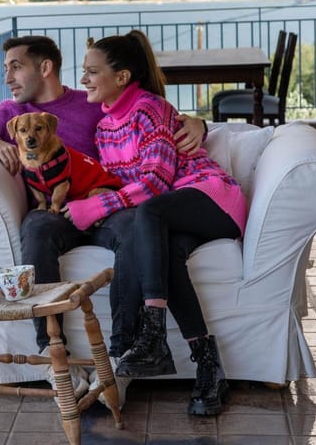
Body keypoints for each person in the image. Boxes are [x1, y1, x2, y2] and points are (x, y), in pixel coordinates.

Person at [0, 34, 206, 398]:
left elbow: (152, 114)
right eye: (6, 69)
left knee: (135, 227)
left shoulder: (92, 102)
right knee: (36, 227)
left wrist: (199, 123)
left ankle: (121, 356)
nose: (8, 77)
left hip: (105, 204)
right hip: (55, 212)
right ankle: (50, 351)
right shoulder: (10, 115)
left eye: (16, 67)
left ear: (44, 68)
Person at [63, 29, 247, 416]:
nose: (83, 80)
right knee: (164, 256)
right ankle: (208, 367)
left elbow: (155, 183)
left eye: (91, 71)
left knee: (149, 210)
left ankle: (153, 333)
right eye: (83, 71)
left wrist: (95, 209)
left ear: (122, 77)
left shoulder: (149, 109)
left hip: (212, 198)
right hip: (174, 212)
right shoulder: (104, 127)